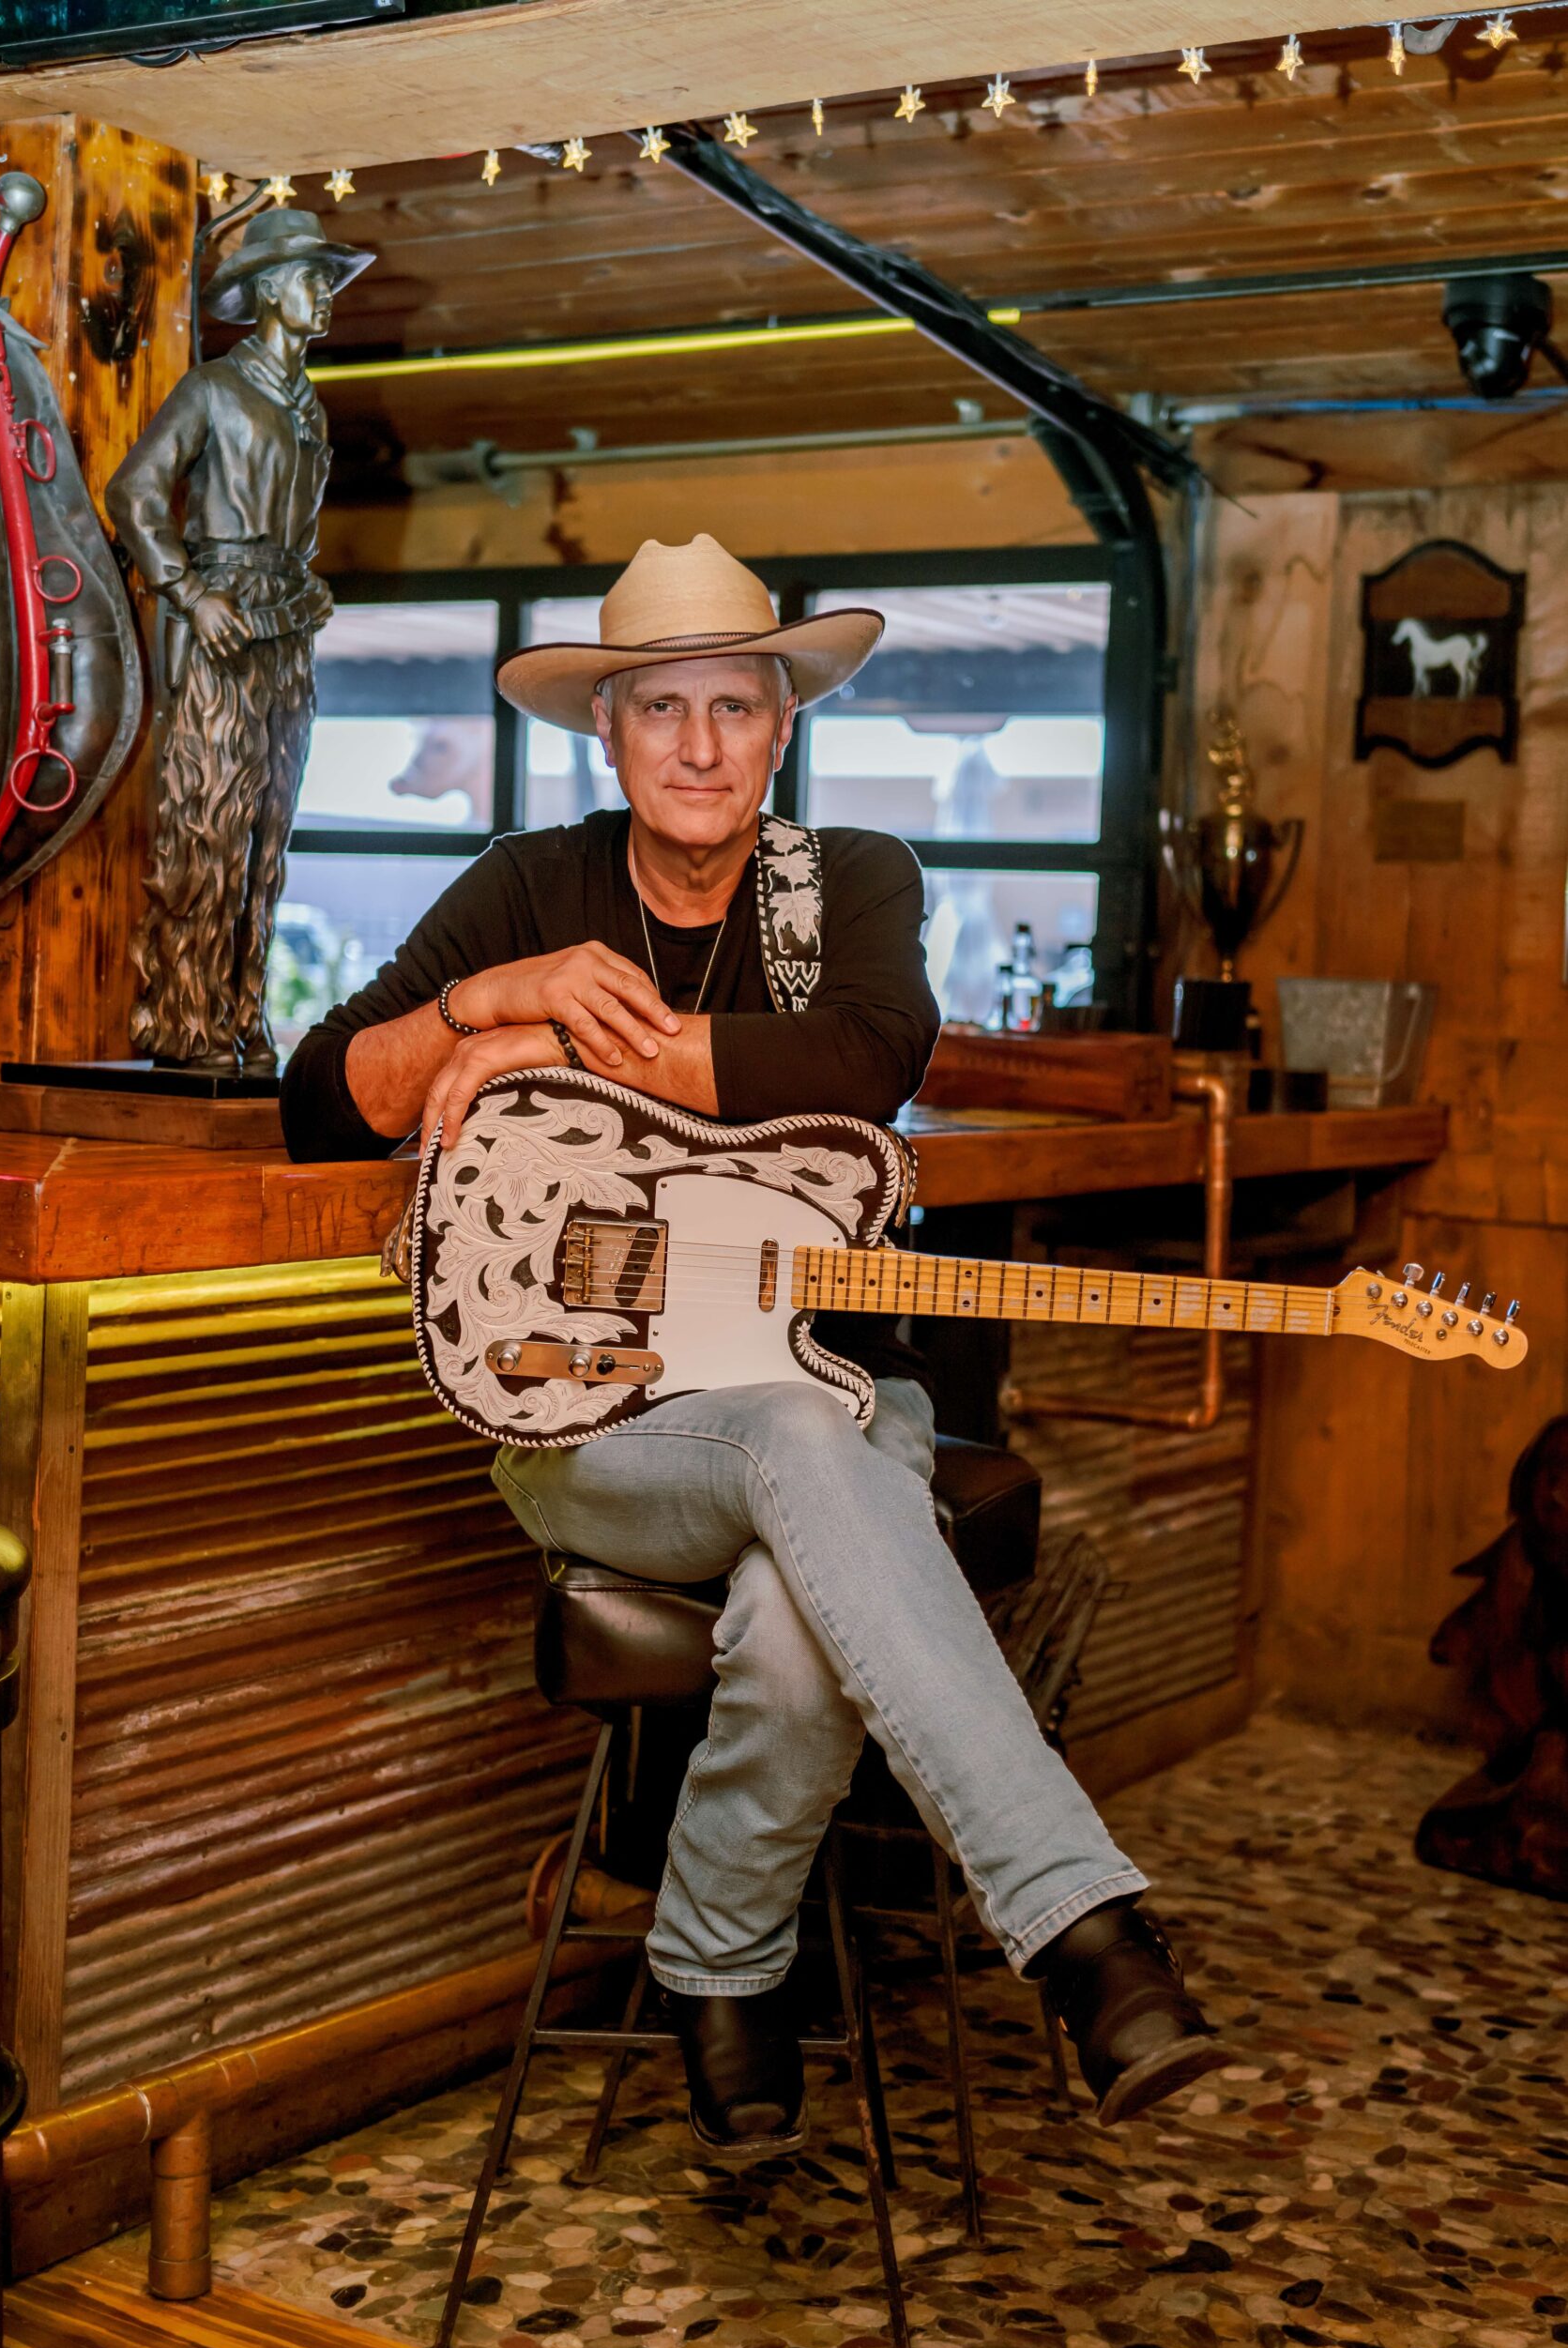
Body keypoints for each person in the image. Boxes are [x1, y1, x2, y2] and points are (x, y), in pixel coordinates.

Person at [282, 533, 1226, 2157]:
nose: (701, 745)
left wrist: (556, 1048)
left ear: (782, 725)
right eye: (663, 710)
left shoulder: (847, 879)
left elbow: (863, 1055)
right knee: (802, 1454)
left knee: (803, 1598)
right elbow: (317, 1099)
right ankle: (1085, 1935)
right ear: (612, 733)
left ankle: (719, 1971)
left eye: (736, 706)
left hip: (838, 1382)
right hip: (593, 1423)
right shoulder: (525, 884)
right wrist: (483, 1001)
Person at [108, 207, 373, 1072]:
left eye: (328, 282)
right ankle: (183, 1019)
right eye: (309, 280)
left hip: (285, 632)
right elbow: (134, 492)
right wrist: (186, 590)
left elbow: (294, 528)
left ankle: (239, 1015)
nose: (322, 297)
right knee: (210, 822)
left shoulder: (311, 407)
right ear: (266, 292)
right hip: (221, 625)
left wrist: (308, 583)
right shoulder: (213, 389)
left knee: (267, 830)